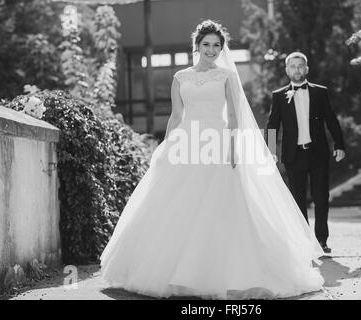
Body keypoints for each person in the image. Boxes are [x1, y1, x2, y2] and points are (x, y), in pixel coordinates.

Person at [100, 20, 324, 300]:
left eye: (216, 45)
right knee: (177, 205)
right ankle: (172, 271)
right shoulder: (180, 77)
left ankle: (222, 272)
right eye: (206, 44)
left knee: (222, 206)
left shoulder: (227, 76)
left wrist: (232, 147)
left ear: (222, 48)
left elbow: (232, 116)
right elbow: (176, 115)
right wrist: (167, 145)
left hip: (217, 144)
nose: (211, 49)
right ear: (197, 45)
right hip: (186, 143)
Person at [266, 52, 346, 254]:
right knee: (297, 200)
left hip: (318, 152)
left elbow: (331, 120)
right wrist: (270, 151)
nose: (297, 70)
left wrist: (339, 145)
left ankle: (321, 240)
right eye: (293, 66)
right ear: (287, 70)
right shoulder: (278, 96)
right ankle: (303, 240)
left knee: (321, 198)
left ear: (307, 69)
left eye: (301, 66)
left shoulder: (320, 92)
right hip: (294, 155)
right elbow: (272, 125)